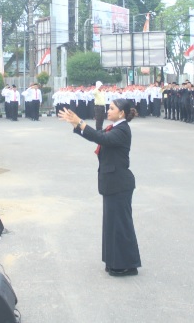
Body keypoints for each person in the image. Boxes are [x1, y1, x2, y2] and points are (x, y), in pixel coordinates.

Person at [58, 99, 141, 277]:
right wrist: (76, 124)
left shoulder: (123, 129)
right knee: (112, 225)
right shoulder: (114, 127)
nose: (108, 110)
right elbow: (97, 134)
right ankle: (114, 262)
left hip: (119, 183)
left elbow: (101, 138)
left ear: (121, 113)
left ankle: (127, 264)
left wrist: (80, 122)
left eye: (111, 108)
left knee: (121, 225)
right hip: (112, 183)